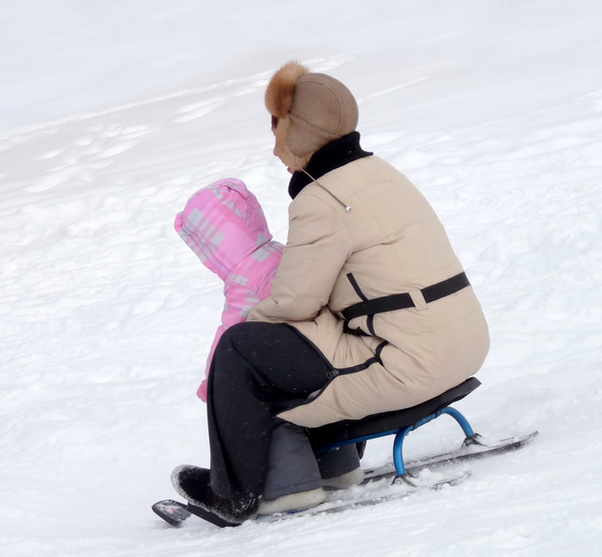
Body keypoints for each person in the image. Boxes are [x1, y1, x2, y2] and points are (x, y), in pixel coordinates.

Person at [172, 61, 490, 524]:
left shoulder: (322, 199)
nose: (275, 147)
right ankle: (329, 462)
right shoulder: (380, 172)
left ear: (301, 132)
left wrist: (249, 332)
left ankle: (232, 494)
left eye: (278, 129)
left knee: (240, 348)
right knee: (317, 339)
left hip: (412, 362)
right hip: (463, 342)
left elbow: (296, 300)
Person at [173, 178, 284, 402]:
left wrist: (211, 381)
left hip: (282, 358)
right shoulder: (277, 250)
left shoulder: (244, 279)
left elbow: (229, 333)